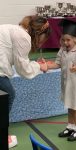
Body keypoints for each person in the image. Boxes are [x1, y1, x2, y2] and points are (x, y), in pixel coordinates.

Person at [0, 15, 50, 148]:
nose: (41, 44)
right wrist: (40, 66)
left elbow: (20, 60)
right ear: (40, 33)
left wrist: (34, 64)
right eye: (42, 40)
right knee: (8, 95)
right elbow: (22, 69)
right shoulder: (24, 37)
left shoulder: (16, 29)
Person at [47, 19, 76, 141]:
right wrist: (47, 65)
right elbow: (57, 64)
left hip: (75, 85)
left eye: (68, 40)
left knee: (75, 107)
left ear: (75, 39)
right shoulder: (62, 50)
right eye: (63, 40)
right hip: (66, 84)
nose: (65, 42)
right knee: (69, 106)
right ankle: (70, 126)